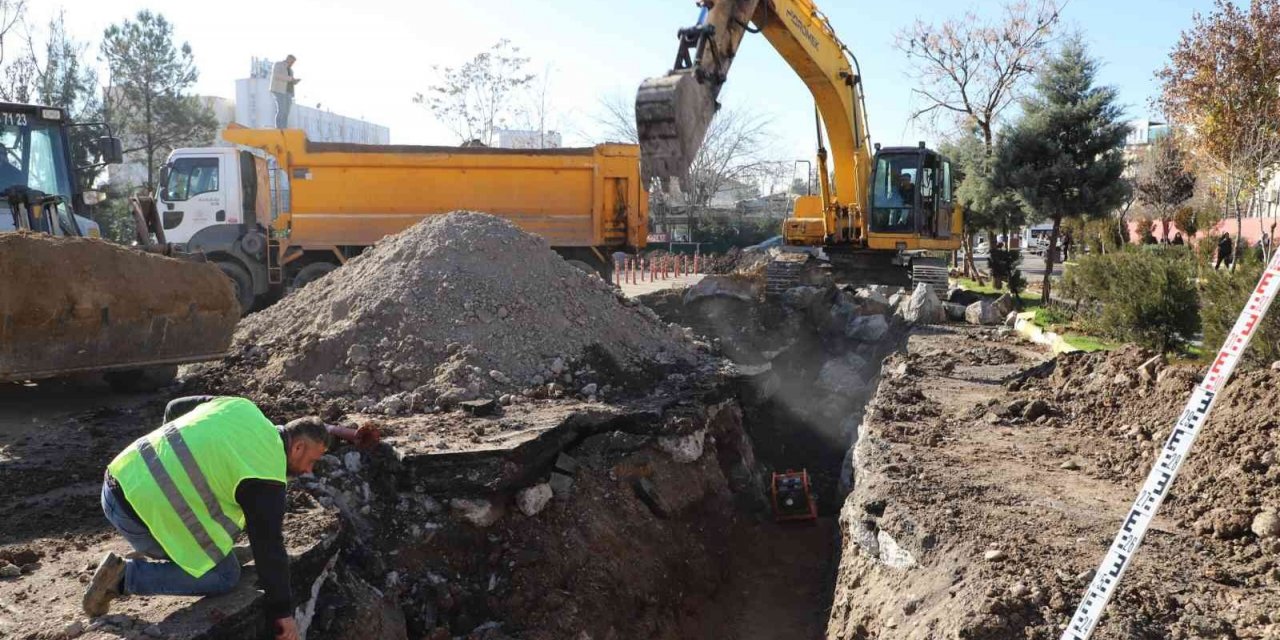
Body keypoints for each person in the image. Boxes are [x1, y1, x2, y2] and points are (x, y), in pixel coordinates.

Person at [83, 396, 358, 640]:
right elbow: (269, 548)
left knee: (220, 529)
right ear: (297, 448)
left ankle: (178, 544)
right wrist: (282, 614)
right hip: (136, 516)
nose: (309, 471)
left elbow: (174, 407)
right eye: (311, 461)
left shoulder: (240, 407)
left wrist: (170, 462)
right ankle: (124, 578)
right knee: (225, 574)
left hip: (119, 476)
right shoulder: (266, 475)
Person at [271, 55, 300, 129]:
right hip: (279, 90)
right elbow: (276, 75)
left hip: (289, 92)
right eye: (292, 61)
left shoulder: (291, 70)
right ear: (288, 59)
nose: (293, 63)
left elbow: (289, 80)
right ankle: (278, 128)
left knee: (286, 112)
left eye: (294, 62)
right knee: (281, 110)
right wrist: (290, 78)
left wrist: (295, 81)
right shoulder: (278, 65)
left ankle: (284, 128)